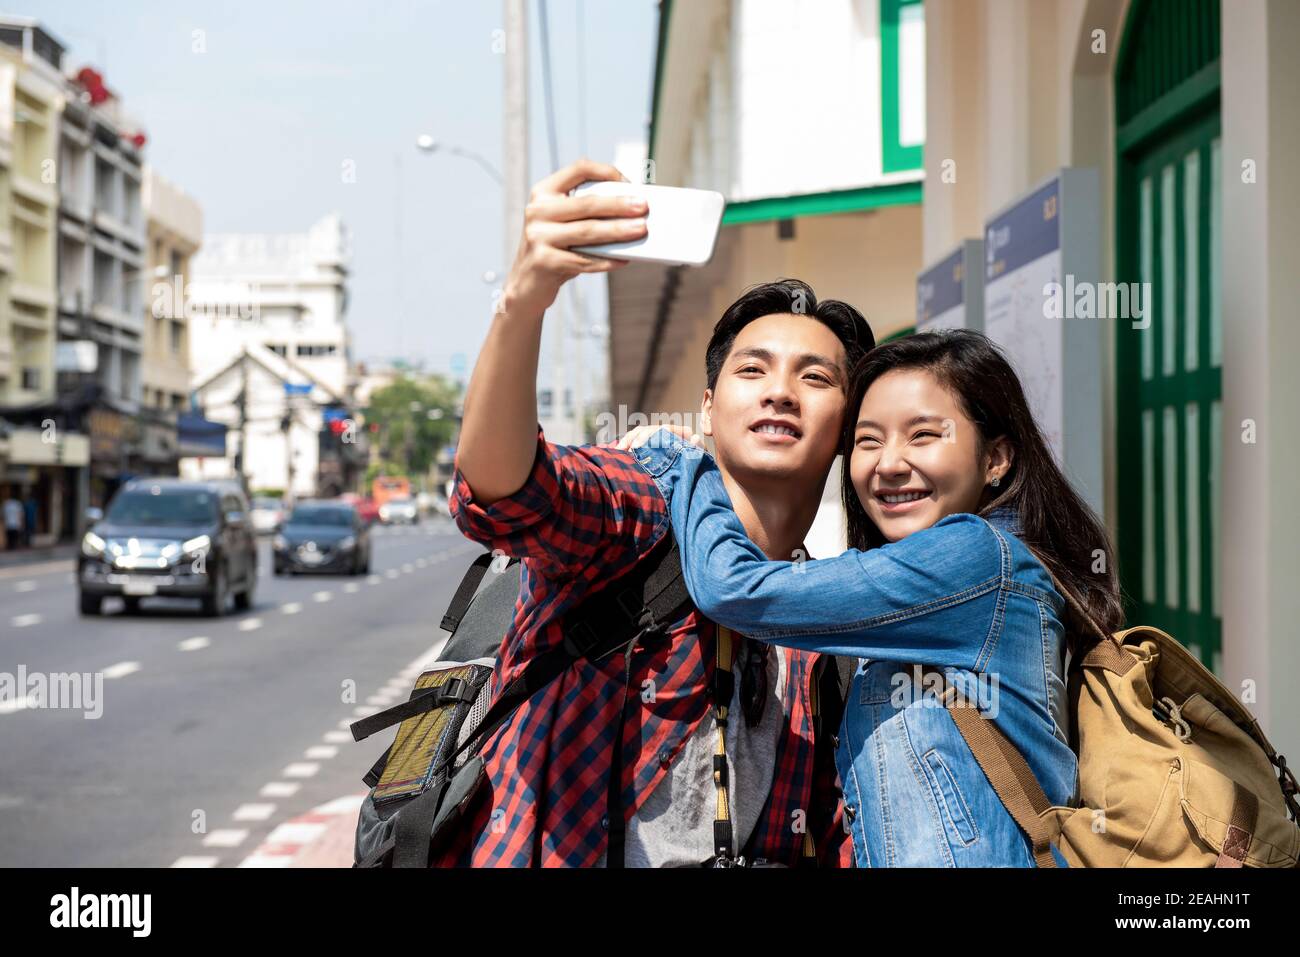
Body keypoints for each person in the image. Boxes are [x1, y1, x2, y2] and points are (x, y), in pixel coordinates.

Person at [440, 158, 874, 867]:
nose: (780, 392)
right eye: (752, 369)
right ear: (708, 408)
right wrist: (526, 297)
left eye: (815, 376)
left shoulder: (819, 625)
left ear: (847, 423)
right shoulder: (643, 510)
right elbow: (503, 494)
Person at [630, 329, 1124, 867]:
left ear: (995, 459)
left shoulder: (976, 559)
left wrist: (679, 464)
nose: (889, 464)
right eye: (868, 440)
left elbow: (733, 589)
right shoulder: (922, 584)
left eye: (923, 435)